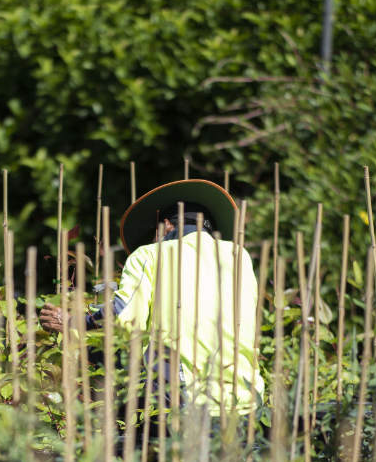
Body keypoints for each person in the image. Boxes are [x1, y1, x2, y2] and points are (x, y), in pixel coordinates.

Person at [39, 178, 263, 420]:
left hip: (185, 400)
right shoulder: (240, 257)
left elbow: (124, 316)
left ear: (166, 225)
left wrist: (76, 323)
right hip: (246, 401)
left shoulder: (151, 254)